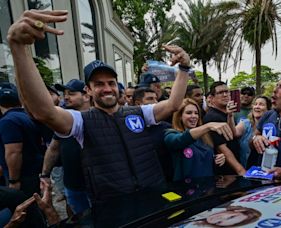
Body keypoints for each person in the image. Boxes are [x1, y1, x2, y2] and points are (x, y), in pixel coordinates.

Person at [7, 9, 190, 202]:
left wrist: (184, 68)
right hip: (112, 205)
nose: (107, 88)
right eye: (99, 84)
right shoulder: (80, 121)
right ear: (88, 90)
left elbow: (173, 104)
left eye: (111, 82)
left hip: (153, 195)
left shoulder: (138, 112)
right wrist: (19, 48)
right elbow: (44, 112)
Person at [42, 79, 91, 216]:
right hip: (73, 185)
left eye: (71, 93)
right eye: (65, 94)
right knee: (77, 219)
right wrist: (45, 174)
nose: (66, 97)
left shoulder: (98, 118)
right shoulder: (64, 122)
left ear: (86, 95)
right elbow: (53, 148)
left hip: (97, 187)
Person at [164, 98, 227, 180]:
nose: (194, 116)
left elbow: (202, 159)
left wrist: (217, 159)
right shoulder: (170, 135)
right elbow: (181, 140)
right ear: (179, 116)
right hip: (185, 189)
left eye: (196, 113)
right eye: (189, 113)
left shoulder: (205, 136)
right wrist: (208, 126)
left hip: (208, 188)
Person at [0, 83, 44, 196]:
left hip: (22, 176)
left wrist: (13, 180)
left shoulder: (8, 121)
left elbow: (14, 152)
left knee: (25, 209)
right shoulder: (26, 116)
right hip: (33, 172)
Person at [203, 82, 246, 176]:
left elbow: (233, 134)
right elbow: (222, 148)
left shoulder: (227, 114)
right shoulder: (213, 117)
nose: (225, 95)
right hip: (226, 172)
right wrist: (241, 171)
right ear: (212, 97)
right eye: (220, 92)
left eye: (227, 92)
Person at [235, 96, 271, 168]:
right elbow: (234, 134)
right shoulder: (245, 123)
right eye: (255, 104)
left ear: (268, 110)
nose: (257, 106)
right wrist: (229, 115)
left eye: (261, 104)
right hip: (244, 170)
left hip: (266, 170)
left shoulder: (271, 127)